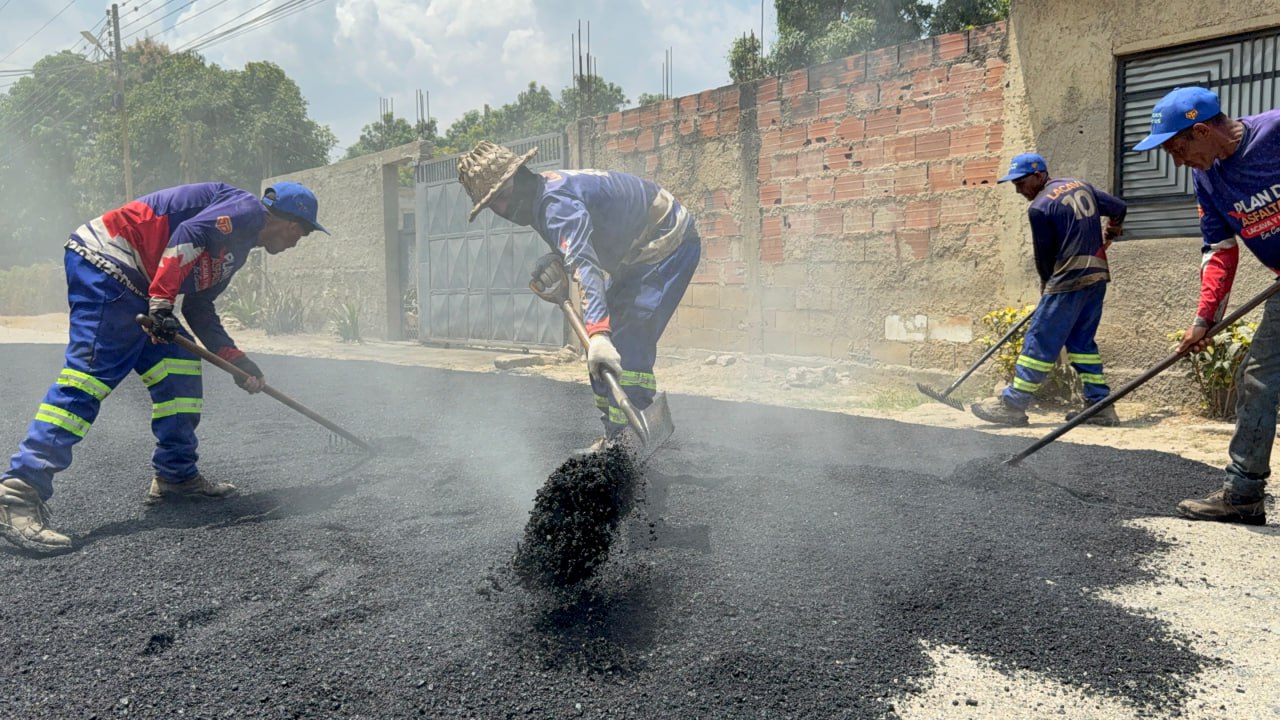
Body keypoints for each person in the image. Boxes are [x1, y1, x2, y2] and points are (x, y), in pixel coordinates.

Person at [0, 181, 328, 554]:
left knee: (180, 372)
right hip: (109, 263)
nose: (297, 242)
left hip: (144, 285)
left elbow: (200, 309)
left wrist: (238, 362)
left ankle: (176, 475)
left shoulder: (235, 251)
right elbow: (188, 232)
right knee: (89, 377)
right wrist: (160, 303)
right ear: (288, 222)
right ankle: (18, 492)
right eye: (302, 233)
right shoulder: (247, 209)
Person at [457, 141, 700, 454]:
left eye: (502, 196)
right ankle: (617, 437)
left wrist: (598, 333)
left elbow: (586, 265)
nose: (502, 209)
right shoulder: (542, 194)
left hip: (667, 240)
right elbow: (578, 239)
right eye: (493, 205)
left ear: (519, 175)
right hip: (634, 256)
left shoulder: (553, 203)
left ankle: (633, 441)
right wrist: (556, 256)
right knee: (605, 352)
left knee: (628, 338)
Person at [1134, 86, 1278, 525]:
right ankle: (1243, 495)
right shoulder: (1208, 177)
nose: (1177, 162)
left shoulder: (1276, 132)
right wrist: (1204, 319)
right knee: (1258, 378)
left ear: (1201, 131)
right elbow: (1219, 248)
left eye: (1178, 149)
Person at [971, 152, 1126, 427]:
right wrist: (1111, 233)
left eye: (1021, 183)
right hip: (1097, 278)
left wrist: (1046, 288)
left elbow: (1044, 257)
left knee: (1040, 339)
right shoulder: (1082, 186)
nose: (1019, 190)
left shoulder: (1040, 207)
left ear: (1039, 175)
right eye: (1015, 185)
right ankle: (1099, 404)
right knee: (1081, 343)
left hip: (1067, 280)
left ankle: (1013, 404)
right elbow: (1118, 207)